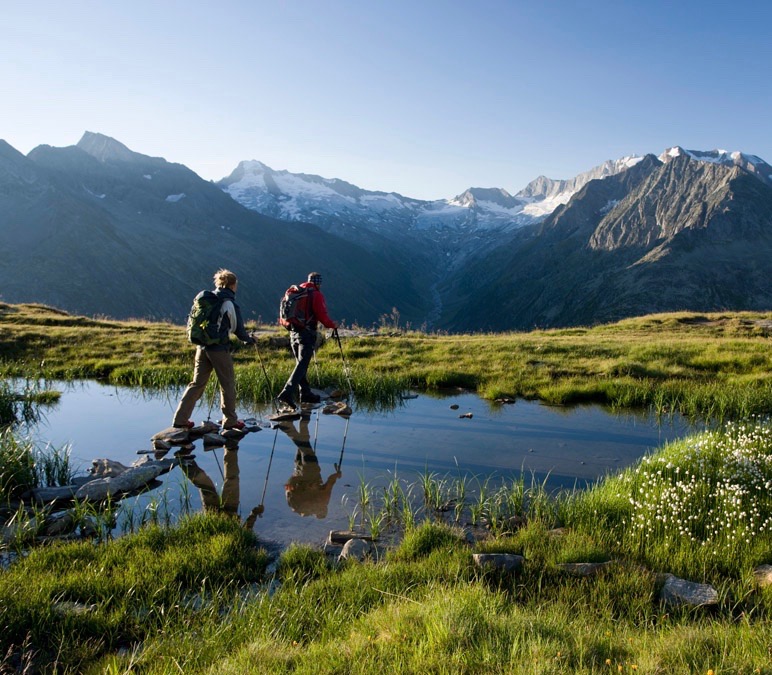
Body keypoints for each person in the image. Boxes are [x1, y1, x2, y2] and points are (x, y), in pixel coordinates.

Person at [172, 269, 255, 430]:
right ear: (232, 285)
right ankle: (230, 420)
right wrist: (250, 340)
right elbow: (239, 330)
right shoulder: (229, 303)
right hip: (219, 349)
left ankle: (180, 419)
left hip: (202, 347)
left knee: (196, 384)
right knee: (227, 384)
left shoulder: (207, 298)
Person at [276, 272, 338, 409]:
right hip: (307, 333)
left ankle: (305, 394)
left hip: (293, 332)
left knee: (300, 364)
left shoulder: (296, 292)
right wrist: (332, 325)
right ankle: (286, 393)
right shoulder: (315, 294)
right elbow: (321, 314)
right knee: (302, 364)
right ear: (319, 283)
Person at [280, 417, 342, 518]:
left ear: (324, 509)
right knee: (303, 443)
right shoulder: (301, 507)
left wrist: (337, 475)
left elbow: (330, 481)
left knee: (304, 445)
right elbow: (289, 491)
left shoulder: (324, 500)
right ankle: (303, 419)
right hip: (297, 472)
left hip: (310, 470)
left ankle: (287, 427)